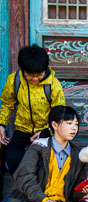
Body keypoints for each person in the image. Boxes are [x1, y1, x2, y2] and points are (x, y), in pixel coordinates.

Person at [0, 45, 66, 174]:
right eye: (30, 75)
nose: (34, 79)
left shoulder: (53, 85)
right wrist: (1, 125)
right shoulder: (14, 80)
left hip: (46, 131)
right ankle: (24, 188)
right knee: (13, 159)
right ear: (23, 70)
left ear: (44, 69)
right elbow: (8, 104)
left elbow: (59, 113)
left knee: (46, 163)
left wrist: (46, 131)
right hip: (22, 129)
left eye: (39, 75)